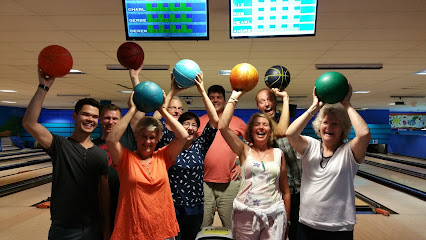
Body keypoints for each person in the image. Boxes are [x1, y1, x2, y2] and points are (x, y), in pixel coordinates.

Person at [22, 66, 110, 240]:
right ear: (75, 116)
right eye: (85, 114)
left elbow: (104, 197)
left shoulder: (100, 155)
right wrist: (43, 87)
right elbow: (29, 123)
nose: (90, 120)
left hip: (93, 227)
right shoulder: (60, 145)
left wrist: (106, 230)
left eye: (94, 117)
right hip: (64, 229)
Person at [286, 83, 371, 240]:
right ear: (319, 127)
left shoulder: (349, 152)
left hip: (339, 227)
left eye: (335, 123)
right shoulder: (310, 146)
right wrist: (314, 108)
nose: (329, 127)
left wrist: (346, 104)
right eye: (325, 122)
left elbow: (364, 134)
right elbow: (290, 134)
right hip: (307, 223)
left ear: (343, 128)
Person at [105, 91, 189, 240]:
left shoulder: (163, 156)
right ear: (136, 136)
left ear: (157, 139)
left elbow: (182, 135)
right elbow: (111, 140)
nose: (148, 141)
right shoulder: (125, 158)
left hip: (162, 228)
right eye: (143, 136)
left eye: (152, 137)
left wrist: (162, 109)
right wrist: (132, 109)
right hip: (133, 230)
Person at [219, 90, 291, 240]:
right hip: (246, 215)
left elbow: (285, 191)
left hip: (273, 215)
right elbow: (223, 127)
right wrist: (235, 97)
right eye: (257, 124)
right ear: (251, 130)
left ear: (270, 131)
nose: (261, 127)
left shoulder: (279, 154)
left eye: (265, 125)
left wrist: (287, 222)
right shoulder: (244, 150)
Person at [93, 66, 145, 231]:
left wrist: (134, 77)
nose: (111, 122)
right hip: (98, 202)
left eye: (115, 119)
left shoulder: (129, 136)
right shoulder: (91, 144)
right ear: (101, 120)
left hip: (126, 199)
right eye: (107, 118)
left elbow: (139, 111)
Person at [167, 73, 219, 240]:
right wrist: (172, 91)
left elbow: (214, 120)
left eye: (193, 125)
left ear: (198, 130)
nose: (189, 128)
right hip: (171, 206)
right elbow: (157, 118)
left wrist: (202, 91)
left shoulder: (201, 145)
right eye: (186, 124)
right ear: (178, 127)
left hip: (195, 207)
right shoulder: (169, 142)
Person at [256, 88, 301, 240]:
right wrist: (286, 99)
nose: (267, 104)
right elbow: (282, 131)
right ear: (258, 106)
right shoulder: (261, 129)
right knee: (276, 233)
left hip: (298, 188)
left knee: (296, 231)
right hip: (276, 193)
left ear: (275, 102)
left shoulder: (286, 121)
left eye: (270, 99)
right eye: (262, 101)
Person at [198, 85, 246, 229]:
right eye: (211, 97)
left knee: (232, 226)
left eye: (218, 97)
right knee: (203, 225)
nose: (215, 100)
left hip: (229, 182)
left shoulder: (237, 121)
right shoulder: (199, 121)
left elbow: (252, 145)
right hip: (203, 182)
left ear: (225, 101)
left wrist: (241, 166)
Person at [154, 72, 185, 150]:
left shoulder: (185, 128)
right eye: (173, 107)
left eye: (179, 108)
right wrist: (172, 91)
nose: (177, 111)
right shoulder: (160, 127)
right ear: (166, 110)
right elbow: (155, 118)